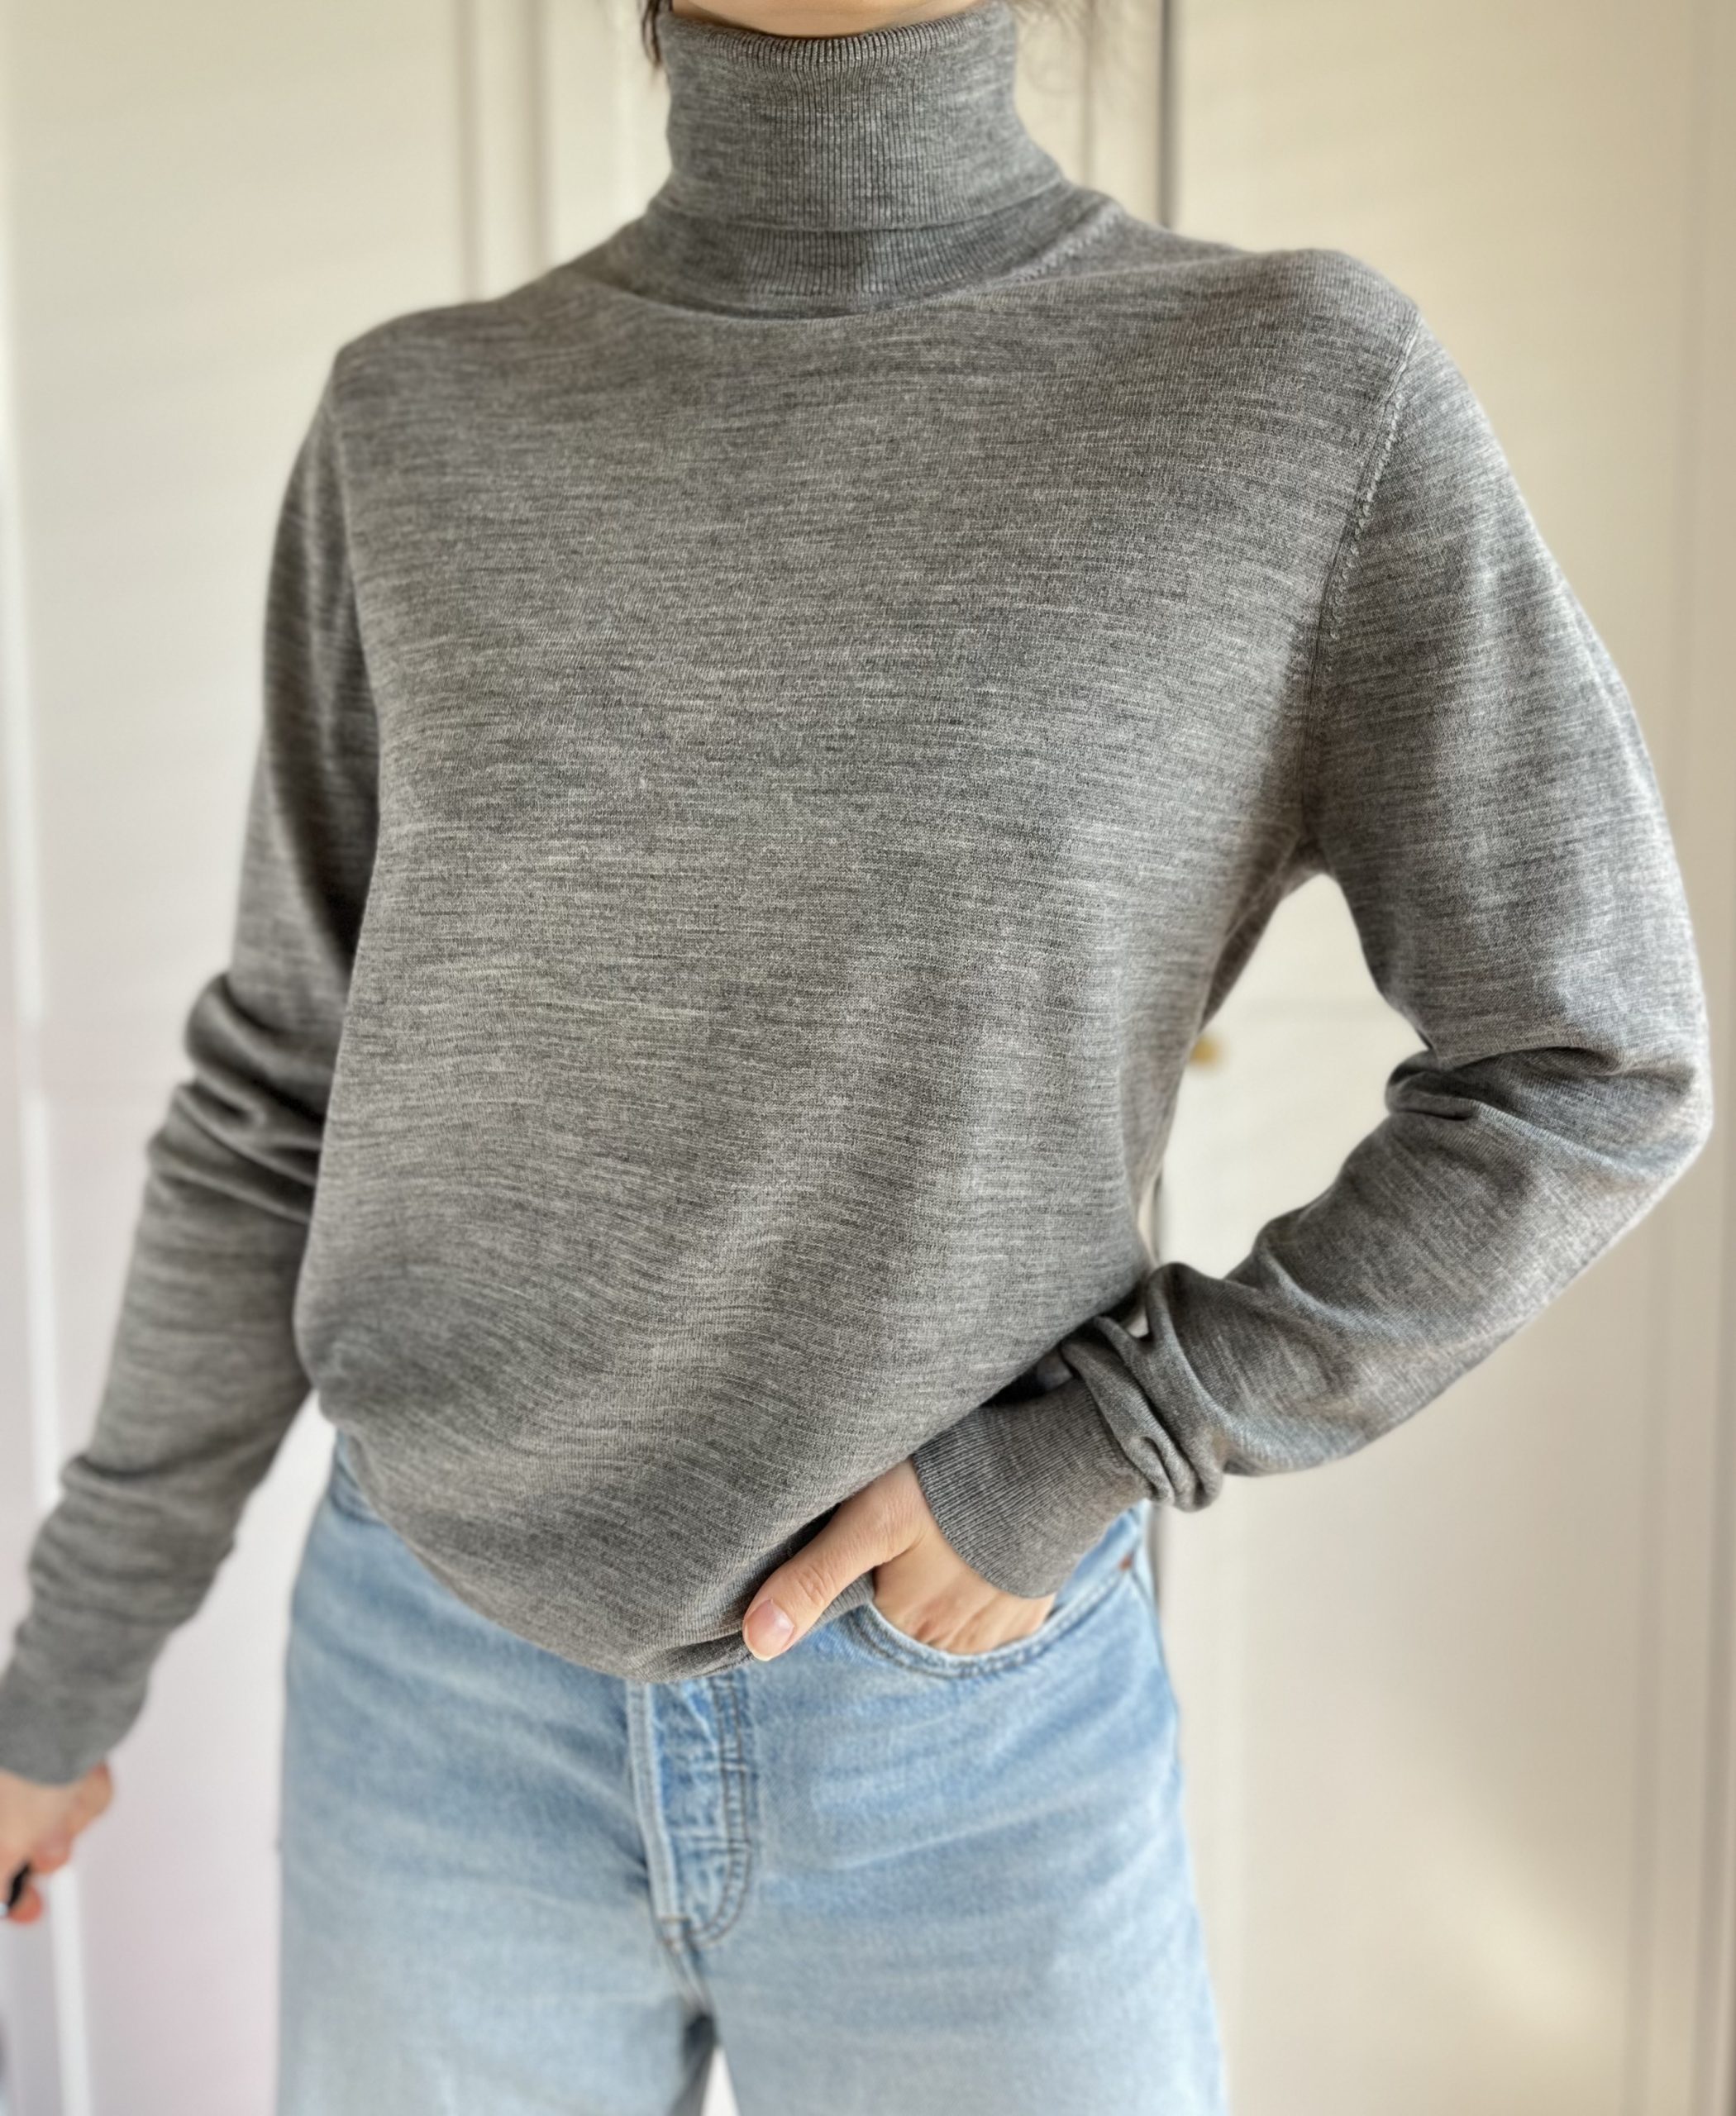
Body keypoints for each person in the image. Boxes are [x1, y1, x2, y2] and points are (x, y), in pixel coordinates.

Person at [0, 0, 1714, 2105]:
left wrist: (1103, 1442)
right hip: (433, 1700)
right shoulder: (415, 423)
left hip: (967, 1747)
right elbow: (282, 1095)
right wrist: (59, 1678)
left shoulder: (1294, 394)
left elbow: (1592, 1058)